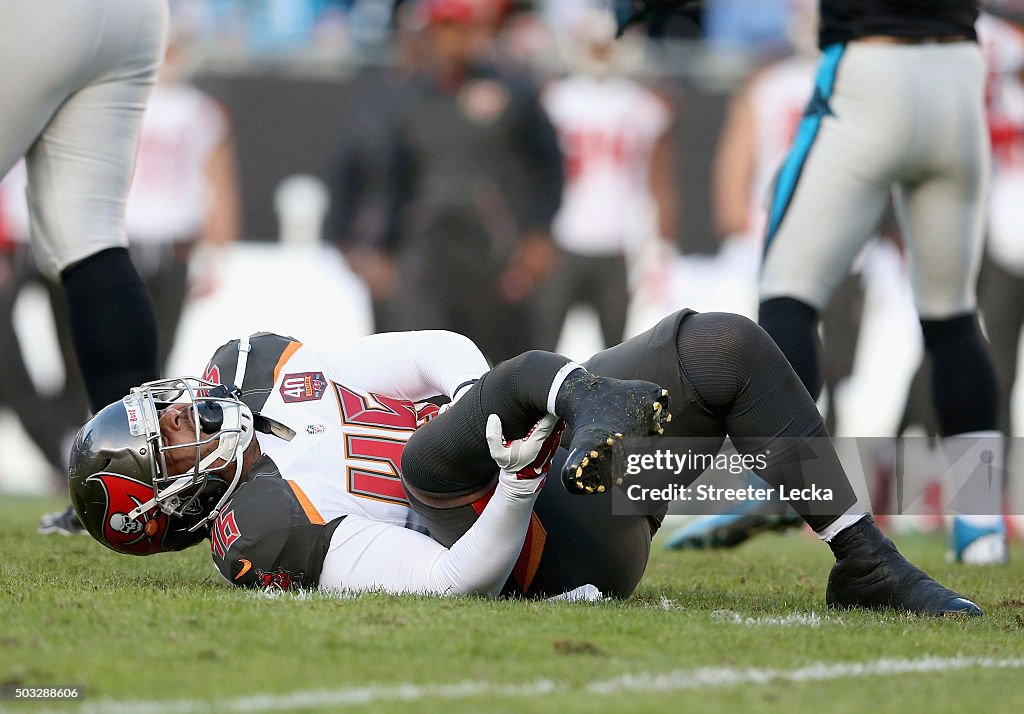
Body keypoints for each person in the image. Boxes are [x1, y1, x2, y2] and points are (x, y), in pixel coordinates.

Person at [68, 310, 979, 615]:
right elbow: (452, 579)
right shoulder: (257, 528)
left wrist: (497, 412)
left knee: (722, 348)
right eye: (170, 439)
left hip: (564, 455)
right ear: (170, 503)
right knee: (430, 458)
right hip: (545, 553)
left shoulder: (256, 367)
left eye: (170, 407)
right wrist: (507, 478)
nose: (187, 411)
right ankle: (579, 403)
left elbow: (436, 348)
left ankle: (869, 563)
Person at [534, 8, 678, 351]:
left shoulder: (645, 106)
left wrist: (662, 246)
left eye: (607, 44)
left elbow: (660, 181)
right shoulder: (554, 99)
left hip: (618, 240)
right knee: (541, 346)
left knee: (616, 352)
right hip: (560, 238)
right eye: (593, 45)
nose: (600, 53)